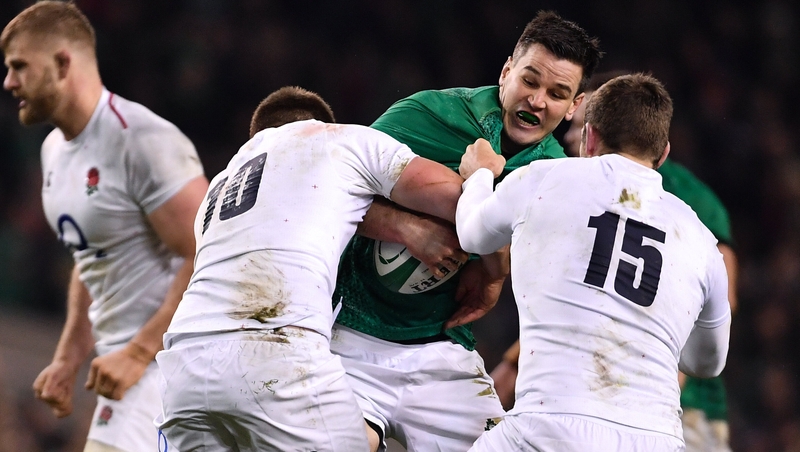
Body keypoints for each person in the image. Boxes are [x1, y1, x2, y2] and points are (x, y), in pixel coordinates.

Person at [156, 86, 495, 452]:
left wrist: (400, 227)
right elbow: (471, 211)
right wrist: (481, 175)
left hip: (181, 370)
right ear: (322, 123)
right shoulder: (341, 139)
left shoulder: (220, 187)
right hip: (274, 349)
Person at [331, 10, 603, 451]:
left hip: (441, 350)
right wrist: (404, 228)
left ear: (574, 106)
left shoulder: (556, 175)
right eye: (530, 81)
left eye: (557, 93)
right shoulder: (427, 115)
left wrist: (496, 269)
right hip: (350, 336)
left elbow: (531, 263)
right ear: (506, 71)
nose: (537, 100)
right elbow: (328, 190)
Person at [456, 73, 731, 451]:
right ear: (663, 153)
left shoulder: (543, 179)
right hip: (656, 440)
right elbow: (707, 363)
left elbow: (472, 234)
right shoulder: (701, 239)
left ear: (589, 136)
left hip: (547, 429)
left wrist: (480, 175)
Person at [1, 2, 208, 451]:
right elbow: (90, 255)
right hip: (128, 368)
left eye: (19, 66)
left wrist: (138, 353)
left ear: (61, 62)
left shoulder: (143, 141)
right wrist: (67, 359)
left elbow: (210, 250)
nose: (9, 82)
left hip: (174, 365)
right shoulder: (54, 150)